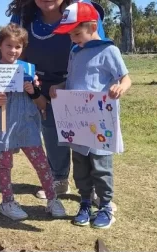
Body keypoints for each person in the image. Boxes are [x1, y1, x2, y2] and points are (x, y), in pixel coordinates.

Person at [7, 0, 106, 203]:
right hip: (42, 87)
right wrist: (30, 89)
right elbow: (15, 52)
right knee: (51, 132)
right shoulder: (24, 15)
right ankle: (59, 179)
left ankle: (96, 188)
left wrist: (68, 83)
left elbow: (97, 50)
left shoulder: (82, 9)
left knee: (87, 138)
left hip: (80, 84)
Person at [49, 2, 130, 228]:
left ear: (93, 26)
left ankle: (105, 206)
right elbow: (73, 79)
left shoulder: (108, 51)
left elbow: (125, 78)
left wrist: (120, 88)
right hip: (78, 122)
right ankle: (85, 202)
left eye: (76, 32)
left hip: (101, 121)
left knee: (101, 165)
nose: (73, 38)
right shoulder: (75, 52)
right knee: (81, 165)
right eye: (69, 35)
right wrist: (59, 86)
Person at [0, 24, 65, 220]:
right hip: (4, 124)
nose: (13, 50)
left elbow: (40, 101)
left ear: (22, 48)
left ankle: (52, 199)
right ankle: (7, 201)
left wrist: (33, 90)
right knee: (5, 164)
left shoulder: (28, 69)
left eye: (18, 47)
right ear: (0, 46)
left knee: (42, 163)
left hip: (26, 123)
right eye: (9, 45)